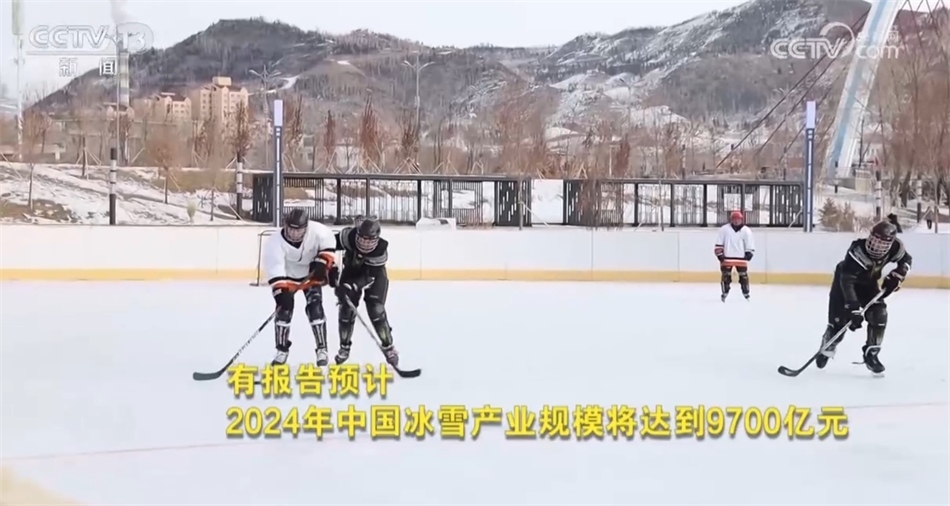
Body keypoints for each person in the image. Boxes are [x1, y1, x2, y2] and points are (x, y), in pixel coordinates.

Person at [816, 220, 912, 373]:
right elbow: (847, 281)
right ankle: (827, 348)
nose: (877, 246)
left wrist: (898, 274)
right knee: (839, 324)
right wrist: (852, 307)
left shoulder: (896, 248)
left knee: (879, 314)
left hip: (868, 284)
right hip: (843, 285)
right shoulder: (856, 252)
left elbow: (906, 260)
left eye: (882, 243)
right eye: (875, 240)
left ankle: (871, 354)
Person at [261, 208, 338, 367]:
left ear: (306, 228)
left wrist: (324, 263)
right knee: (284, 311)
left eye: (299, 230)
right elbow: (275, 268)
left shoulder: (318, 231)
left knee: (315, 307)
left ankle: (322, 349)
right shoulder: (274, 243)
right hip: (287, 276)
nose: (295, 234)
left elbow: (329, 244)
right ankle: (281, 350)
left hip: (311, 275)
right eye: (291, 229)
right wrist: (281, 293)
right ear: (285, 226)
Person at [332, 218, 399, 367]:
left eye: (370, 241)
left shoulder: (380, 250)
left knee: (376, 309)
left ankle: (389, 347)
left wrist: (351, 286)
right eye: (362, 239)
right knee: (346, 309)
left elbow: (369, 278)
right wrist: (331, 267)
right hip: (351, 272)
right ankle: (344, 347)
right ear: (357, 235)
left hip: (373, 276)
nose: (365, 244)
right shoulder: (347, 237)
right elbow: (327, 246)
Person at [714, 210, 755, 301]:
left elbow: (749, 243)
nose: (736, 221)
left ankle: (746, 292)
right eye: (734, 219)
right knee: (726, 276)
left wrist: (749, 252)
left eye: (738, 219)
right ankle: (725, 292)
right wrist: (719, 254)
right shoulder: (724, 229)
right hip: (727, 258)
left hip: (741, 258)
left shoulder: (746, 230)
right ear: (731, 220)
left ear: (741, 220)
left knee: (743, 276)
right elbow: (719, 241)